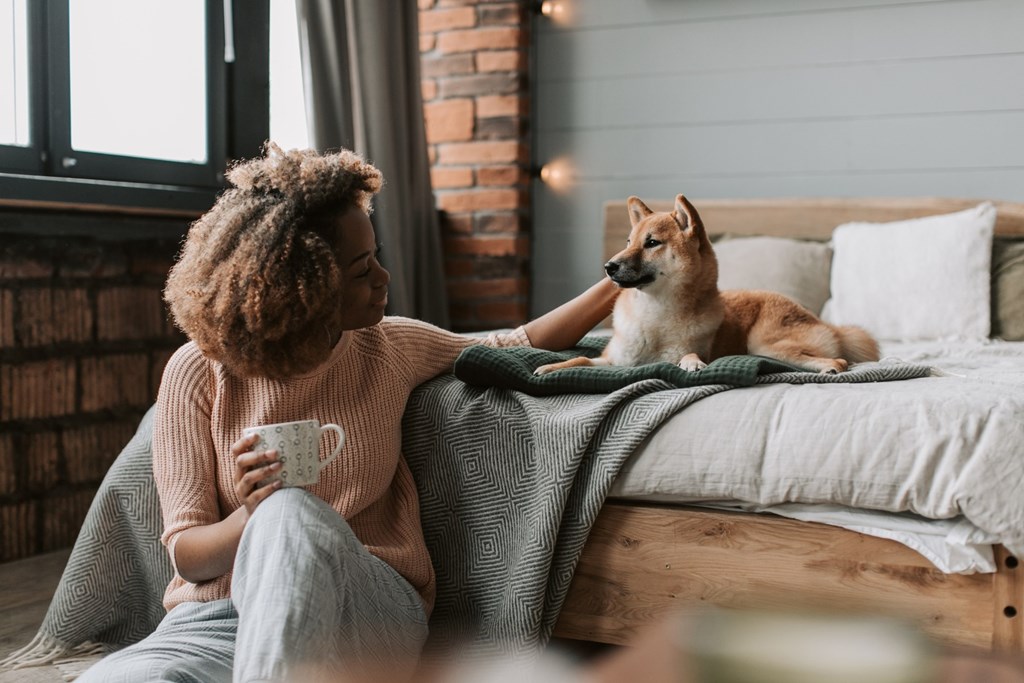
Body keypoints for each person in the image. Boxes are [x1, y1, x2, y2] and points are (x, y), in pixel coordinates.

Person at [77, 142, 618, 683]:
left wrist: (623, 279)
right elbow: (190, 558)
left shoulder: (390, 347)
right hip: (216, 623)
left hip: (362, 612)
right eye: (362, 271)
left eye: (376, 258)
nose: (384, 278)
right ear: (302, 288)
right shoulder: (197, 372)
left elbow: (512, 342)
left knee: (291, 514)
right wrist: (249, 513)